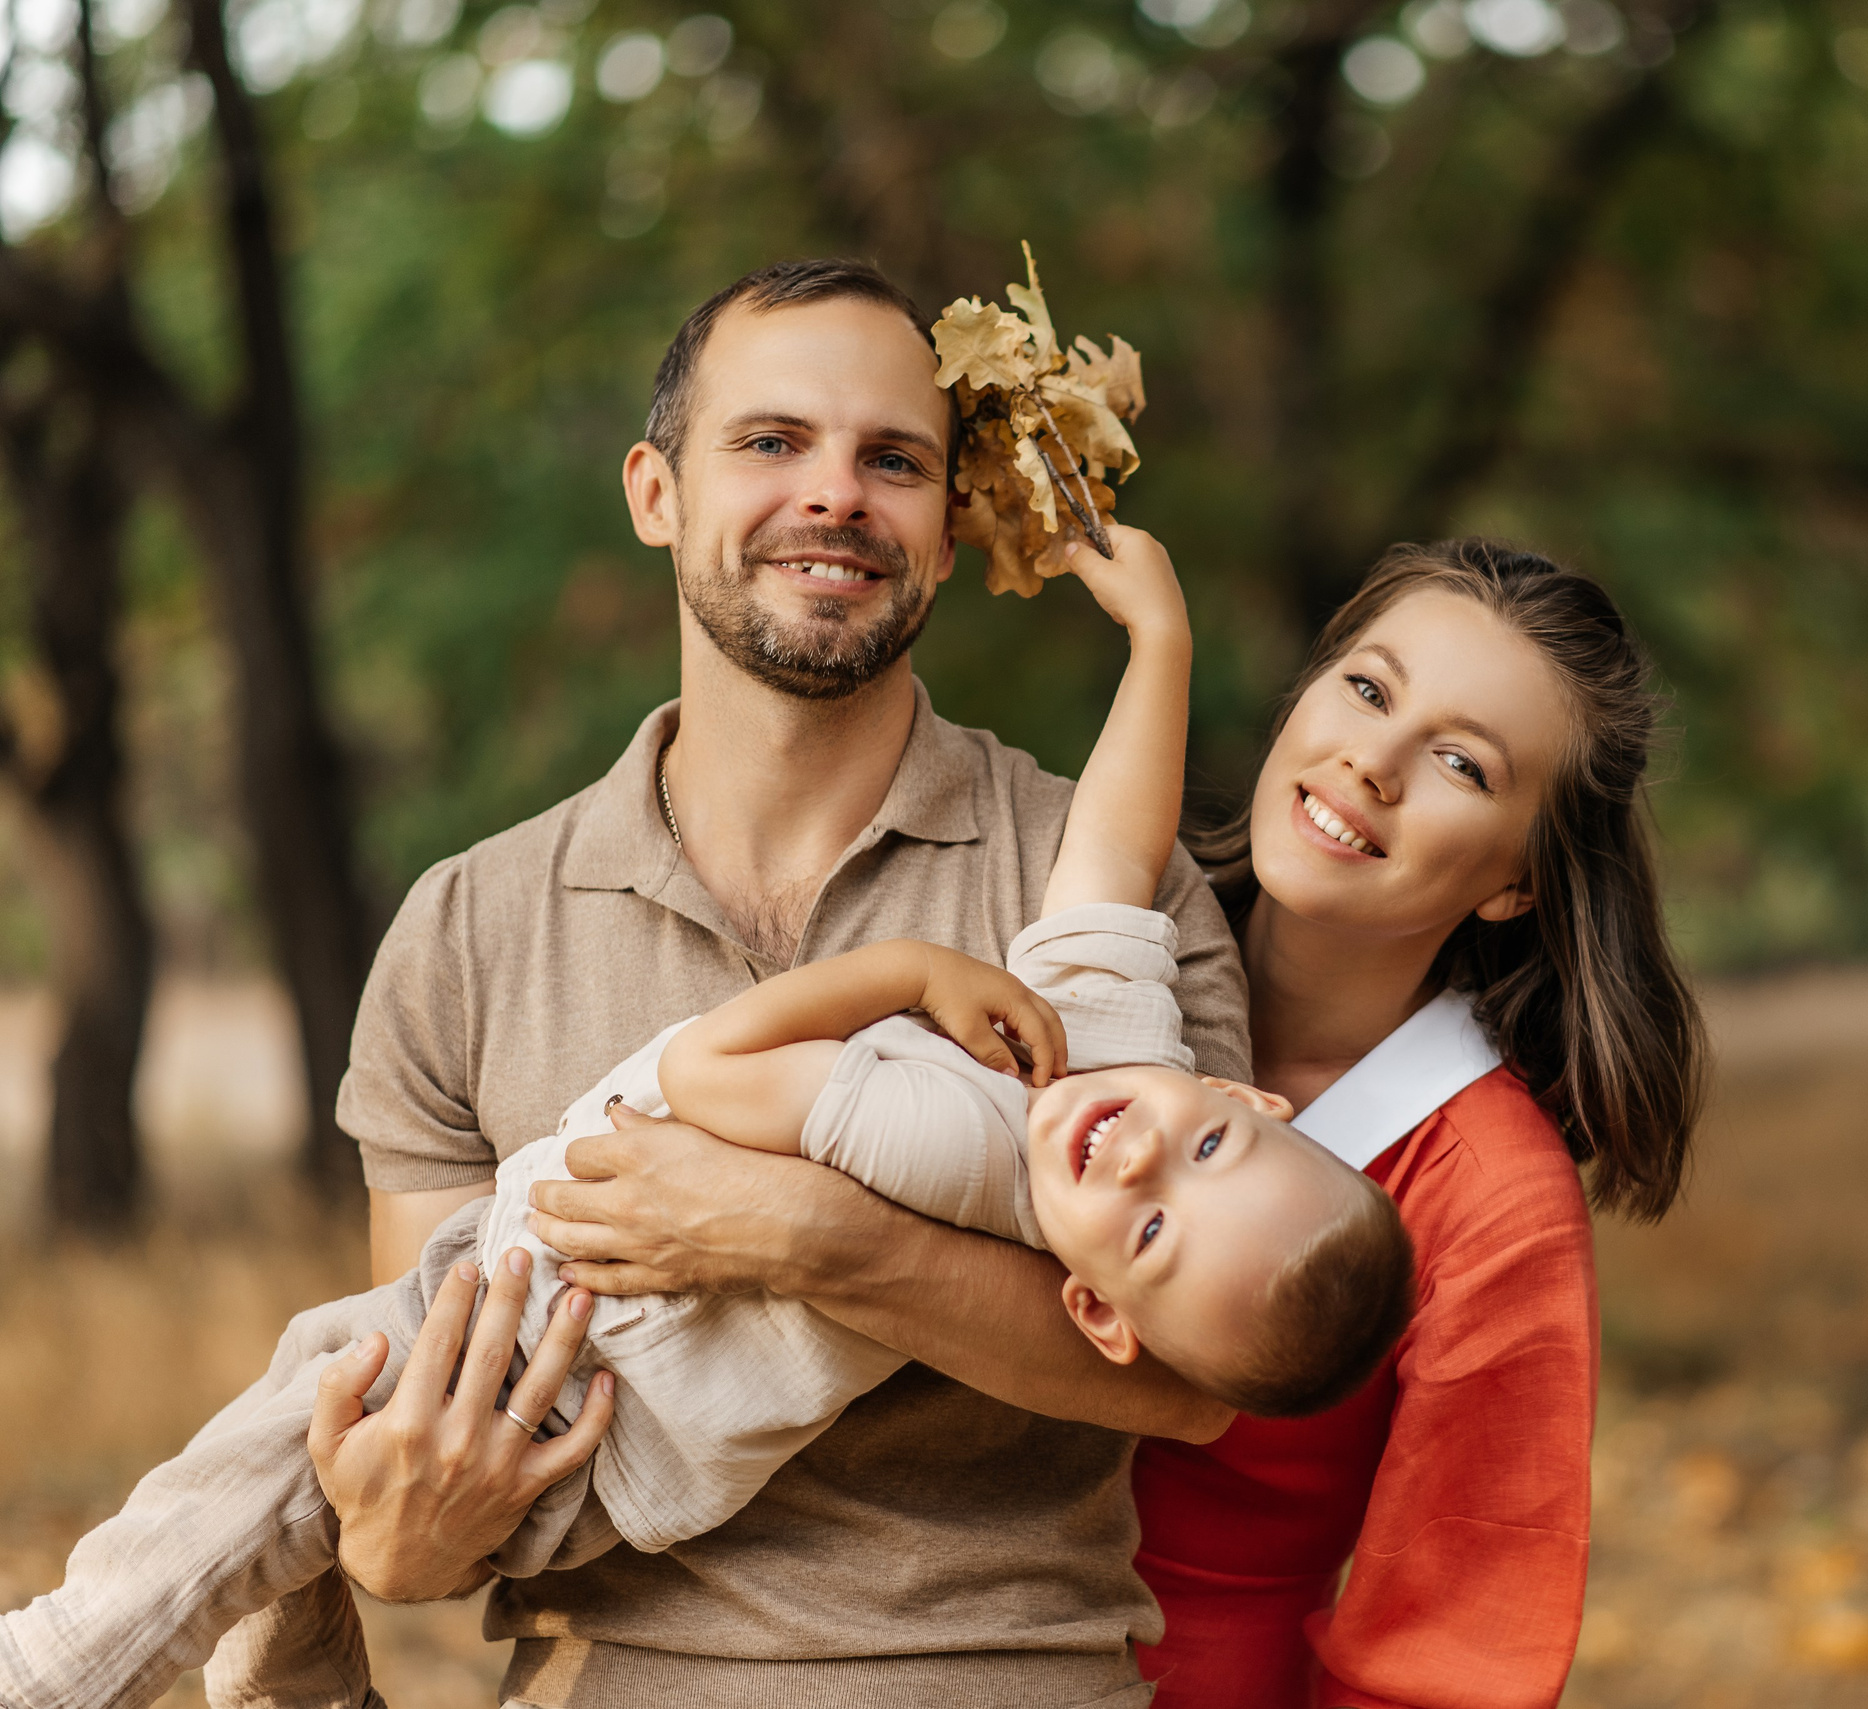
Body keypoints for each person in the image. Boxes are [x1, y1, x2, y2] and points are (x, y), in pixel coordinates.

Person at [0, 527, 1412, 1709]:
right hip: (534, 1378)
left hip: (585, 1400)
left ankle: (67, 1666)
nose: (1144, 1152)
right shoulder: (1111, 1056)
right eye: (1210, 1138)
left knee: (307, 1397)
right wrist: (1156, 640)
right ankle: (280, 1644)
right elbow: (1108, 849)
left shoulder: (956, 1139)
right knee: (315, 1442)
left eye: (1153, 1224)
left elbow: (713, 1080)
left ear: (1105, 1308)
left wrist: (905, 981)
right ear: (1236, 1095)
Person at [244, 256, 1260, 1709]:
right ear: (656, 493)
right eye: (772, 442)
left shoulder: (1106, 878)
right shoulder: (469, 925)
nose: (835, 495)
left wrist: (813, 1236)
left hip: (1001, 1675)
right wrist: (400, 1538)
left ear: (955, 526)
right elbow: (439, 1461)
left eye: (893, 459)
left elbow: (1186, 1378)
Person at [1131, 540, 1709, 1709]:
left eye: (1460, 762)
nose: (1372, 761)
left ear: (1517, 881)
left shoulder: (1490, 1194)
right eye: (1366, 686)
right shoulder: (1089, 934)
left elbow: (1452, 1649)